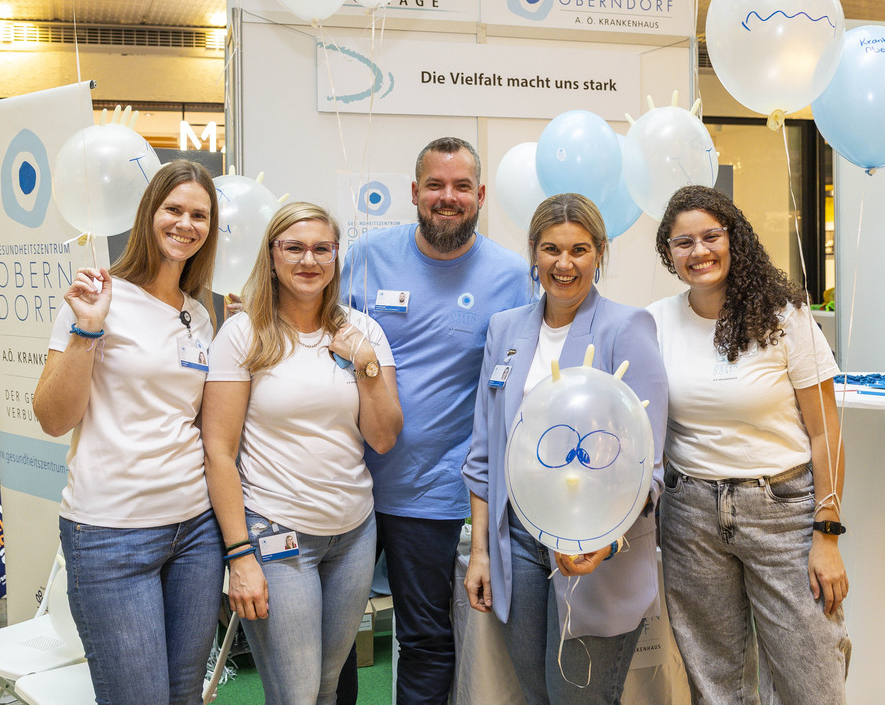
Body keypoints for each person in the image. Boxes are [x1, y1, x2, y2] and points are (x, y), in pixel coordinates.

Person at [337, 136, 530, 704]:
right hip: (346, 480)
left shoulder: (512, 276)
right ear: (414, 192)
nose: (449, 197)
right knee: (332, 636)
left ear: (481, 195)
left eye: (462, 186)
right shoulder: (367, 257)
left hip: (432, 492)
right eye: (436, 185)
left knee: (424, 638)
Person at [646, 185, 850, 704]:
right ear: (669, 252)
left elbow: (826, 431)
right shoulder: (656, 321)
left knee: (813, 678)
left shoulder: (786, 315)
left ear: (734, 239)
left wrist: (827, 533)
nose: (699, 252)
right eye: (683, 242)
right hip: (691, 515)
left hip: (782, 511)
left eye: (711, 237)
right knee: (716, 684)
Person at [462, 193, 668, 704]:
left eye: (579, 250)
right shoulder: (505, 330)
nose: (564, 264)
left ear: (600, 253)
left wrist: (604, 542)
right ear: (533, 251)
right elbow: (485, 452)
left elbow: (648, 465)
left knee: (578, 697)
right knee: (536, 694)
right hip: (519, 545)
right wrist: (481, 553)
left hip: (595, 548)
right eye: (551, 249)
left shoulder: (627, 327)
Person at [32, 160, 223, 705]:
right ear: (148, 214)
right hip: (111, 533)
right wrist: (87, 329)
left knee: (184, 695)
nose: (185, 224)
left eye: (199, 215)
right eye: (173, 209)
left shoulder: (198, 314)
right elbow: (53, 418)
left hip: (196, 530)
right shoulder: (98, 297)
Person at [202, 202, 403, 705]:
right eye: (294, 248)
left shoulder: (363, 332)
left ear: (336, 256)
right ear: (271, 256)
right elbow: (219, 451)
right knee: (296, 694)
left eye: (321, 249)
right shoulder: (244, 334)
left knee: (328, 687)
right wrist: (239, 554)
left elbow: (383, 437)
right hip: (276, 531)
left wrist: (366, 363)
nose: (308, 260)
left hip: (353, 533)